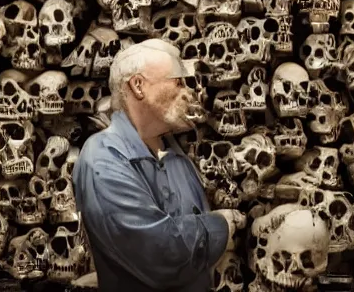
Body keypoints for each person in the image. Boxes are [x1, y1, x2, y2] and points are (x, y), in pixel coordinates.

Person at [72, 39, 244, 292]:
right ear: (138, 86)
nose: (190, 93)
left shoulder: (177, 159)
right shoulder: (101, 157)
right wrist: (222, 224)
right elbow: (159, 253)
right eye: (178, 82)